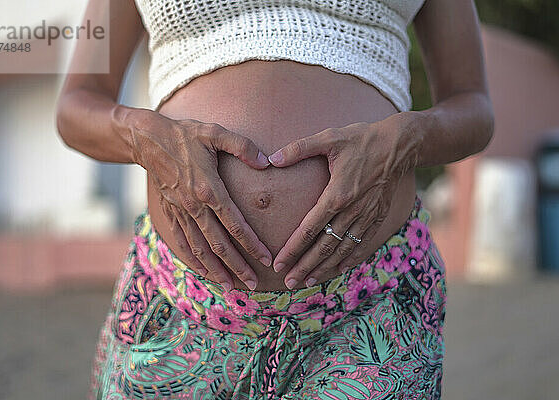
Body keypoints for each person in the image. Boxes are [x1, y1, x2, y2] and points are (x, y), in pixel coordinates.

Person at [56, 0, 494, 398]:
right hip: (179, 302)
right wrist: (141, 135)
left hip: (370, 307)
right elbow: (77, 102)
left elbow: (472, 105)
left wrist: (407, 137)